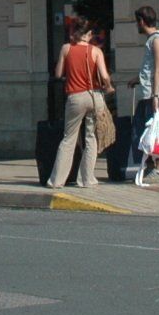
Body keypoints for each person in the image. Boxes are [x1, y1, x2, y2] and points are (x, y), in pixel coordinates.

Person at [46, 17, 109, 189]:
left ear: (75, 32)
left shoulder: (66, 49)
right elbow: (104, 76)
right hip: (94, 97)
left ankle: (57, 180)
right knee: (91, 137)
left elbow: (58, 74)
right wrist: (109, 87)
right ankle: (86, 179)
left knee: (69, 138)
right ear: (88, 34)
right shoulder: (96, 51)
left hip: (75, 97)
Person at [127, 5, 159, 186]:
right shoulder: (152, 40)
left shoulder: (157, 40)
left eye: (137, 21)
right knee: (142, 132)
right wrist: (137, 79)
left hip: (154, 94)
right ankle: (149, 166)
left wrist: (155, 96)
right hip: (148, 92)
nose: (136, 25)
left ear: (142, 21)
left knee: (155, 132)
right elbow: (150, 68)